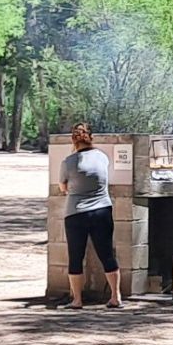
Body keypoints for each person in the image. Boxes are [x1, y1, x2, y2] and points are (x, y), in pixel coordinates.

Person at [58, 123, 123, 309]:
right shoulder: (102, 157)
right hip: (102, 209)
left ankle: (77, 300)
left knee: (76, 256)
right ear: (91, 138)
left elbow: (63, 186)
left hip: (75, 213)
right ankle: (115, 296)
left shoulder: (68, 162)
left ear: (73, 140)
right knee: (107, 254)